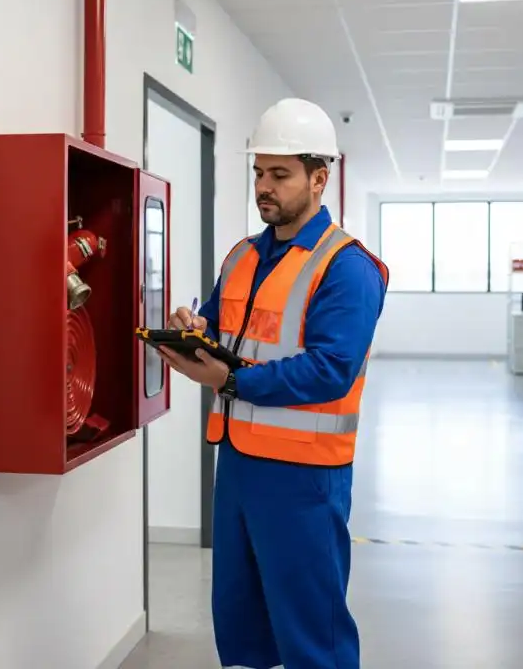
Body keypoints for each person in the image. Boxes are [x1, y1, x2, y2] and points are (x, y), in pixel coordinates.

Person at [157, 97, 389, 669]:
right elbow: (219, 324)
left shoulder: (348, 267)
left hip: (305, 474)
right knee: (241, 623)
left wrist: (232, 380)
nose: (264, 186)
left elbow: (331, 369)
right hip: (238, 463)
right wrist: (195, 330)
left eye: (280, 175)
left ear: (318, 178)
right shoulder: (242, 256)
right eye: (259, 172)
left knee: (312, 630)